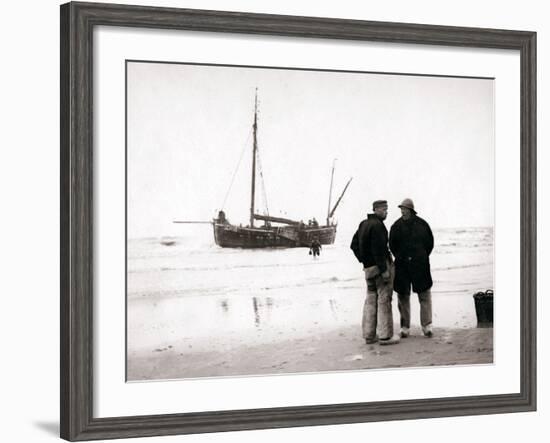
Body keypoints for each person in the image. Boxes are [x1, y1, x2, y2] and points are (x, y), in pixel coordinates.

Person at [350, 200, 400, 345]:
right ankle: (385, 336)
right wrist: (384, 270)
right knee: (384, 300)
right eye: (384, 209)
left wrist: (364, 260)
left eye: (386, 209)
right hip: (380, 267)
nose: (386, 212)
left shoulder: (363, 224)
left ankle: (369, 335)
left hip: (368, 269)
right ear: (376, 210)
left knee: (370, 300)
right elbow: (378, 249)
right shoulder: (378, 225)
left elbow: (353, 245)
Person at [389, 198, 434, 338]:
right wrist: (402, 257)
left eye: (405, 209)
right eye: (401, 209)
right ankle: (404, 327)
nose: (402, 211)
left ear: (411, 210)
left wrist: (420, 256)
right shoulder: (395, 226)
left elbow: (429, 244)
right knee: (402, 296)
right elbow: (392, 246)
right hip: (402, 265)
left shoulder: (422, 224)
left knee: (424, 294)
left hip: (420, 264)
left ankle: (427, 326)